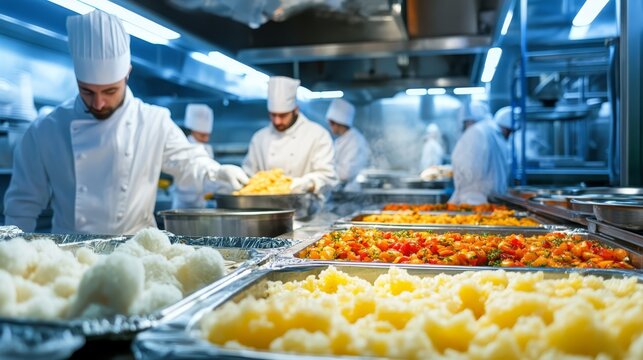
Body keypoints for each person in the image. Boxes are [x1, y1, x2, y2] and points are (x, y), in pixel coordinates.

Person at [3, 11, 248, 234]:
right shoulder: (47, 128)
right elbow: (22, 205)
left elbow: (188, 162)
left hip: (139, 257)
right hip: (73, 260)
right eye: (87, 91)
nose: (98, 103)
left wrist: (216, 172)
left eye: (109, 91)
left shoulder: (153, 121)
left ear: (127, 73)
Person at [242, 76, 338, 194]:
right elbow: (249, 175)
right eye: (273, 115)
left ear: (295, 110)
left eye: (283, 115)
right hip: (266, 207)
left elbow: (328, 177)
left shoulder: (318, 135)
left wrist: (309, 183)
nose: (277, 121)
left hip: (305, 207)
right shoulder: (259, 138)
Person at [449, 106, 517, 205]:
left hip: (474, 200)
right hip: (492, 198)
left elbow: (469, 169)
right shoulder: (491, 132)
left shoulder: (476, 132)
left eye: (466, 122)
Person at [172, 104, 216, 209]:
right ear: (193, 130)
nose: (206, 139)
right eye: (202, 135)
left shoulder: (208, 149)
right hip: (182, 202)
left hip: (201, 202)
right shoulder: (182, 146)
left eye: (208, 135)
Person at [326, 98, 370, 184]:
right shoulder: (342, 139)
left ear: (338, 123)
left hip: (351, 191)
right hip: (343, 189)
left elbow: (345, 174)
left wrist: (325, 166)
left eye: (331, 123)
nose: (330, 127)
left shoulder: (355, 141)